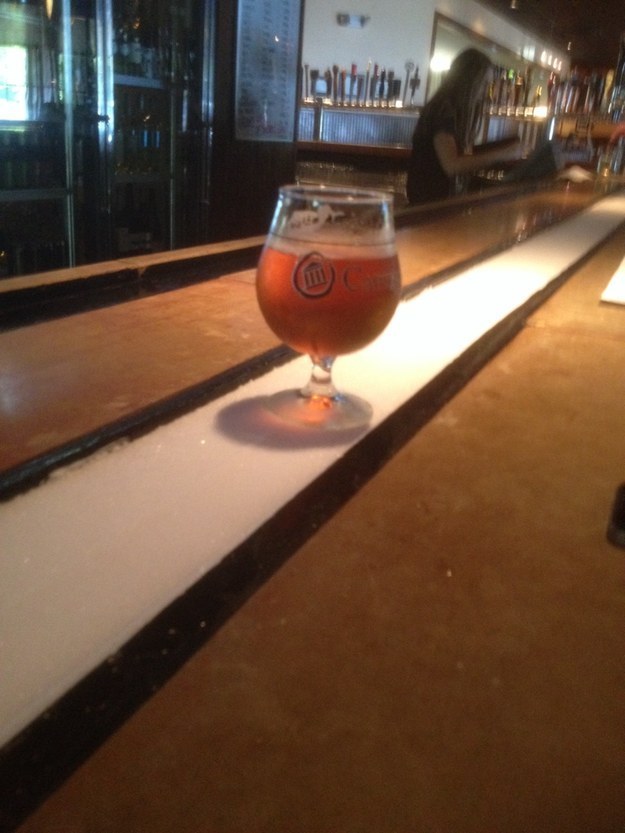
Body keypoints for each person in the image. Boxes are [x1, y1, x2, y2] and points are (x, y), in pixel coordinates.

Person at [406, 48, 522, 205]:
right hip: (429, 207)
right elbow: (452, 165)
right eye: (484, 84)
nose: (485, 92)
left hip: (433, 203)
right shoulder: (444, 111)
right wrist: (503, 154)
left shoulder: (449, 109)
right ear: (469, 81)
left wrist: (503, 149)